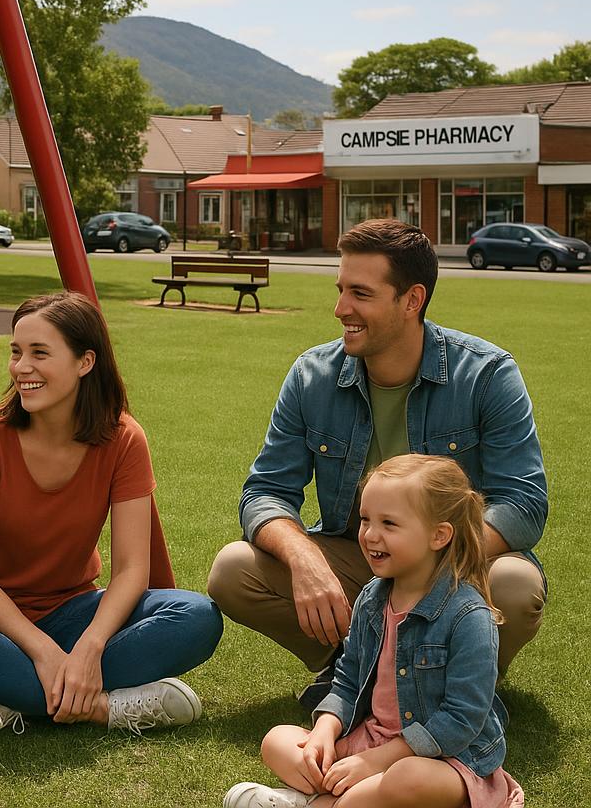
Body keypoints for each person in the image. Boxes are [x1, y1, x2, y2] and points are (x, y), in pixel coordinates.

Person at [208, 219, 547, 709]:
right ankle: (361, 672)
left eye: (361, 294)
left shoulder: (487, 374)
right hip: (360, 556)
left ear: (412, 300)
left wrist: (435, 564)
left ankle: (450, 690)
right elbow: (265, 491)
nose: (341, 309)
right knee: (233, 570)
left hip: (454, 560)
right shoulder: (312, 376)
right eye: (341, 289)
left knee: (514, 587)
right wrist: (305, 559)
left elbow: (523, 502)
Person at [0, 291, 223, 733]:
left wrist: (90, 648)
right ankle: (106, 708)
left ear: (84, 362)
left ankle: (10, 699)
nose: (22, 368)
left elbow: (133, 569)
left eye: (40, 353)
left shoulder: (123, 439)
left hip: (73, 610)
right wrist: (43, 650)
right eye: (16, 352)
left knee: (196, 618)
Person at [223, 455, 524, 808]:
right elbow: (348, 680)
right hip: (373, 740)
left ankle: (317, 802)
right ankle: (332, 798)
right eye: (366, 519)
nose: (369, 534)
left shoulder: (467, 615)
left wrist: (377, 762)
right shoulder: (371, 598)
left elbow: (462, 719)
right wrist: (326, 729)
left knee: (404, 780)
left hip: (446, 761)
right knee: (278, 741)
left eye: (389, 523)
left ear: (439, 535)